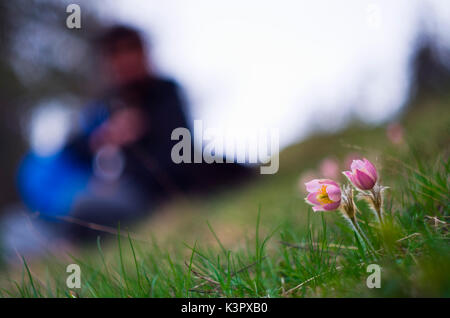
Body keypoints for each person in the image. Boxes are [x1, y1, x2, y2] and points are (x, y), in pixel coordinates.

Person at [15, 25, 253, 243]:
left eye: (132, 49)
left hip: (165, 189)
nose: (125, 59)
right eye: (115, 53)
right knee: (82, 208)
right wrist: (104, 137)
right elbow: (74, 150)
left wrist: (143, 132)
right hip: (130, 193)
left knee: (228, 169)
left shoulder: (166, 92)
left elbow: (181, 152)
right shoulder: (106, 106)